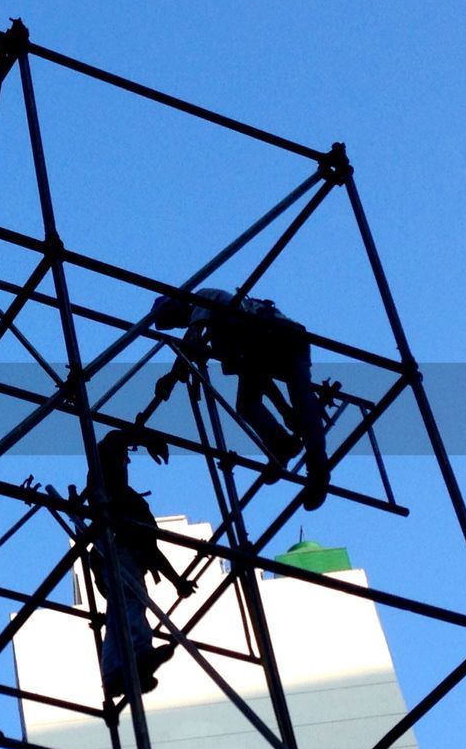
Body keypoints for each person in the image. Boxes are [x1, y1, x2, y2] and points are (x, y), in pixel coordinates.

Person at [152, 288, 330, 511]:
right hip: (264, 346)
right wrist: (284, 411)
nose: (178, 325)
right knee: (248, 404)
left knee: (303, 401)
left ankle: (318, 471)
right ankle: (282, 444)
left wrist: (172, 376)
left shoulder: (204, 299)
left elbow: (192, 338)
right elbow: (258, 376)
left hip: (284, 337)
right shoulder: (222, 336)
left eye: (173, 320)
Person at [87, 429, 197, 697]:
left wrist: (177, 581)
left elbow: (152, 552)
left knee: (121, 609)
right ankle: (138, 655)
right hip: (115, 548)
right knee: (131, 602)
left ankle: (118, 672)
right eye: (126, 458)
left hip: (117, 553)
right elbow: (114, 439)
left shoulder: (127, 500)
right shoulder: (111, 487)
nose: (128, 463)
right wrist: (148, 438)